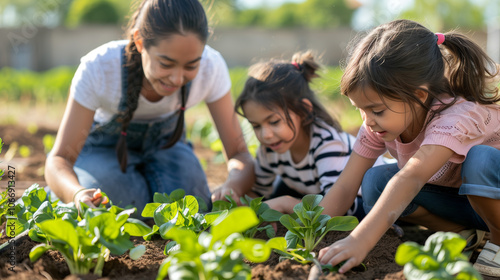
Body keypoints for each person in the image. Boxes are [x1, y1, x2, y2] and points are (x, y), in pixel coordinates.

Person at [316, 19, 500, 277]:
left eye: (376, 110)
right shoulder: (380, 125)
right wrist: (310, 234)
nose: (367, 121)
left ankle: (498, 242)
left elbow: (411, 177)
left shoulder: (456, 118)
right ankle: (464, 237)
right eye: (360, 110)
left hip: (495, 199)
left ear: (420, 95)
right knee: (375, 182)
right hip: (465, 205)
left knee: (480, 160)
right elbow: (347, 184)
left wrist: (360, 240)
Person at [45, 0, 254, 213]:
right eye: (166, 64)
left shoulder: (212, 66)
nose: (177, 78)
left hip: (168, 146)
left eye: (191, 65)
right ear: (140, 41)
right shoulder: (99, 68)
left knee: (194, 207)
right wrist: (76, 192)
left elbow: (239, 153)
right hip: (105, 149)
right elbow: (59, 159)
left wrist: (232, 186)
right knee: (115, 206)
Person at [217, 51, 384, 220]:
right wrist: (235, 205)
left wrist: (285, 203)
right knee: (279, 191)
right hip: (313, 193)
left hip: (363, 198)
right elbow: (259, 194)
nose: (265, 135)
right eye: (256, 126)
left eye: (274, 122)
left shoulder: (327, 144)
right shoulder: (270, 149)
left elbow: (339, 208)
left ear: (304, 110)